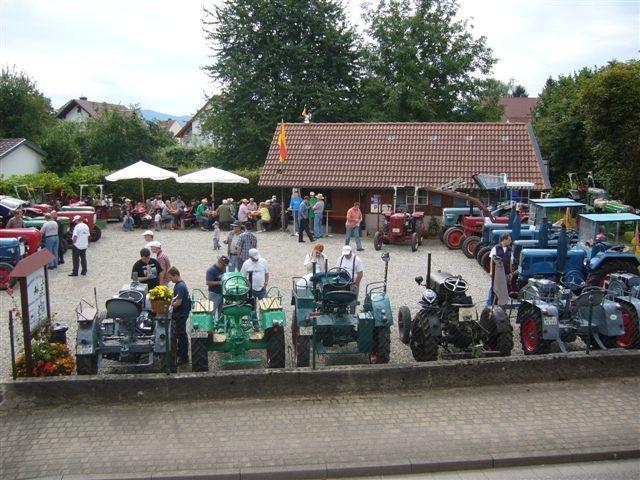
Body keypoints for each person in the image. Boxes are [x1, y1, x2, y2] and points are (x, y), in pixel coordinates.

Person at [167, 267, 191, 366]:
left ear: (176, 275)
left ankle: (183, 357)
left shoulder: (180, 286)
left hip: (180, 314)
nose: (170, 279)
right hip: (182, 313)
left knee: (181, 335)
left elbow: (178, 302)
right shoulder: (180, 284)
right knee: (180, 335)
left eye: (170, 277)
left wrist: (168, 305)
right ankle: (180, 353)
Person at [487, 233, 512, 307]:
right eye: (509, 240)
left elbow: (510, 261)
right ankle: (489, 304)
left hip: (506, 272)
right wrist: (491, 271)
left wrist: (511, 272)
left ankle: (501, 304)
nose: (510, 241)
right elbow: (492, 260)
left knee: (504, 288)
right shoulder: (496, 248)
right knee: (493, 287)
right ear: (504, 240)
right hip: (497, 273)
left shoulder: (510, 249)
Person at [336, 245, 363, 313]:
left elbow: (360, 274)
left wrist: (355, 285)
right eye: (345, 254)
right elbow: (337, 270)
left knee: (353, 302)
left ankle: (352, 315)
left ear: (351, 252)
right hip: (342, 283)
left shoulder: (357, 260)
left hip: (352, 283)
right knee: (339, 300)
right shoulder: (340, 258)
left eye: (347, 254)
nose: (346, 256)